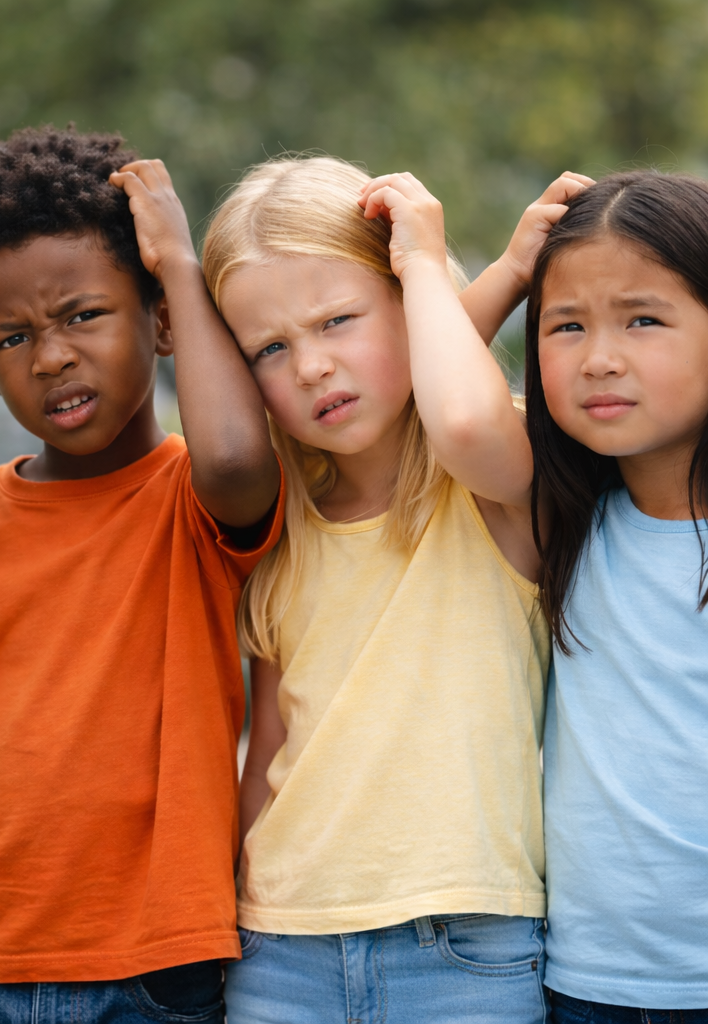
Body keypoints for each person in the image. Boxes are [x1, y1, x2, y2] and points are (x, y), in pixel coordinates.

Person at [0, 127, 282, 1024]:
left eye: (83, 315)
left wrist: (179, 264)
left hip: (155, 971)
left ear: (161, 322)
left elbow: (238, 458)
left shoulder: (195, 501)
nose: (50, 357)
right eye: (12, 338)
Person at [201, 157, 588, 1024]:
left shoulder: (492, 486)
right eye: (269, 349)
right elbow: (268, 753)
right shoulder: (281, 526)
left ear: (410, 300)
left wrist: (440, 264)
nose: (310, 366)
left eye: (336, 320)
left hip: (465, 950)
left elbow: (455, 414)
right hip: (280, 949)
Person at [524, 172, 708, 1022]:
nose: (599, 357)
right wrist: (510, 269)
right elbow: (439, 415)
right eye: (566, 325)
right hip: (589, 985)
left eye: (642, 319)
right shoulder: (557, 520)